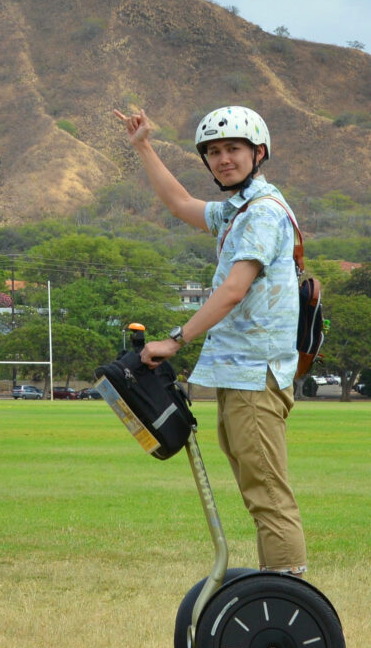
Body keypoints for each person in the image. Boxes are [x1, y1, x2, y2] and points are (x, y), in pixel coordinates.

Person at [111, 104, 310, 576]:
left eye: (234, 149)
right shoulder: (237, 211)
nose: (223, 159)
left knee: (267, 493)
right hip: (240, 373)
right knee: (257, 490)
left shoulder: (262, 213)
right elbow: (181, 205)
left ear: (258, 152)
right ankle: (277, 592)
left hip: (255, 373)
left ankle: (288, 601)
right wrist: (143, 147)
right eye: (214, 152)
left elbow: (234, 289)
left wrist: (175, 339)